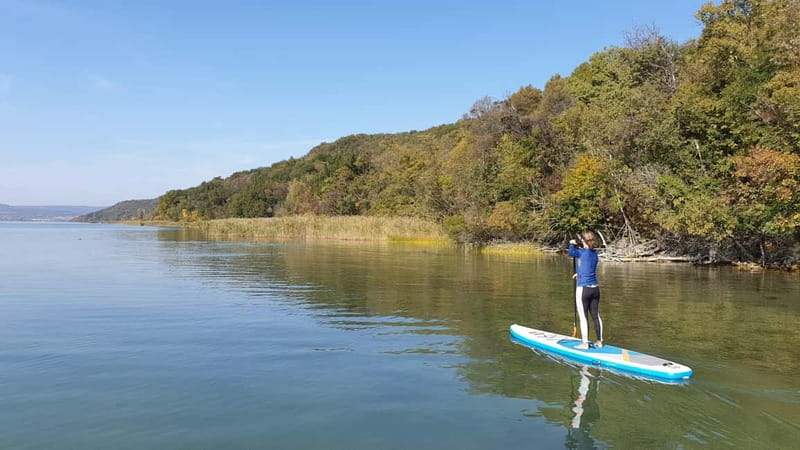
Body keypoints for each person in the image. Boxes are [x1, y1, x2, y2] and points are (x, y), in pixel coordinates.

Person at [568, 231, 602, 350]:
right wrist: (579, 273)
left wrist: (571, 244)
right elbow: (588, 266)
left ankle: (585, 343)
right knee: (595, 315)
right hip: (595, 289)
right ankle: (599, 341)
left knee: (583, 316)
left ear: (583, 241)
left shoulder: (581, 252)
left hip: (583, 289)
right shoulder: (595, 254)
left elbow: (571, 252)